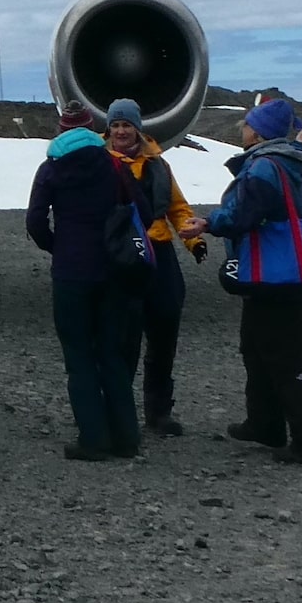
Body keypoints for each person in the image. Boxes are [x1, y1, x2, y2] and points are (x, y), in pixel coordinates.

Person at [204, 99, 302, 466]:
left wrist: (209, 223)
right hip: (274, 274)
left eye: (247, 124)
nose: (242, 129)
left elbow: (246, 213)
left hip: (274, 275)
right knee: (257, 348)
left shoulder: (264, 166)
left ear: (258, 131)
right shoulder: (283, 160)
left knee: (284, 357)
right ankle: (265, 422)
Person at [26, 104, 142, 461]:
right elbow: (141, 208)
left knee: (79, 356)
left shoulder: (51, 168)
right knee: (111, 353)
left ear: (61, 129)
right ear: (92, 129)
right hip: (111, 269)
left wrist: (56, 246)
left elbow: (34, 221)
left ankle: (94, 438)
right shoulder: (113, 164)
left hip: (71, 271)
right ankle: (126, 437)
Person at [102, 98, 208, 436]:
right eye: (116, 125)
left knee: (165, 328)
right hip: (123, 255)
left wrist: (194, 240)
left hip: (159, 251)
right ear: (109, 129)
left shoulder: (159, 165)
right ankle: (119, 410)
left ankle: (158, 411)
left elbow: (176, 206)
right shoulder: (101, 163)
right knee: (124, 337)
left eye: (126, 125)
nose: (121, 131)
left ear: (137, 128)